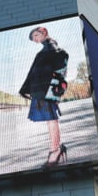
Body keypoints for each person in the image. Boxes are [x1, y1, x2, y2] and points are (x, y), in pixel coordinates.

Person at [19, 26, 68, 168]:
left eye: (36, 35)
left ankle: (55, 150)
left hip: (47, 90)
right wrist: (25, 89)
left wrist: (57, 84)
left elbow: (60, 65)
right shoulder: (43, 52)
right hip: (42, 90)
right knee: (50, 120)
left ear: (44, 32)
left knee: (51, 120)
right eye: (33, 37)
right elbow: (32, 72)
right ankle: (56, 148)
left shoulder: (52, 49)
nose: (35, 39)